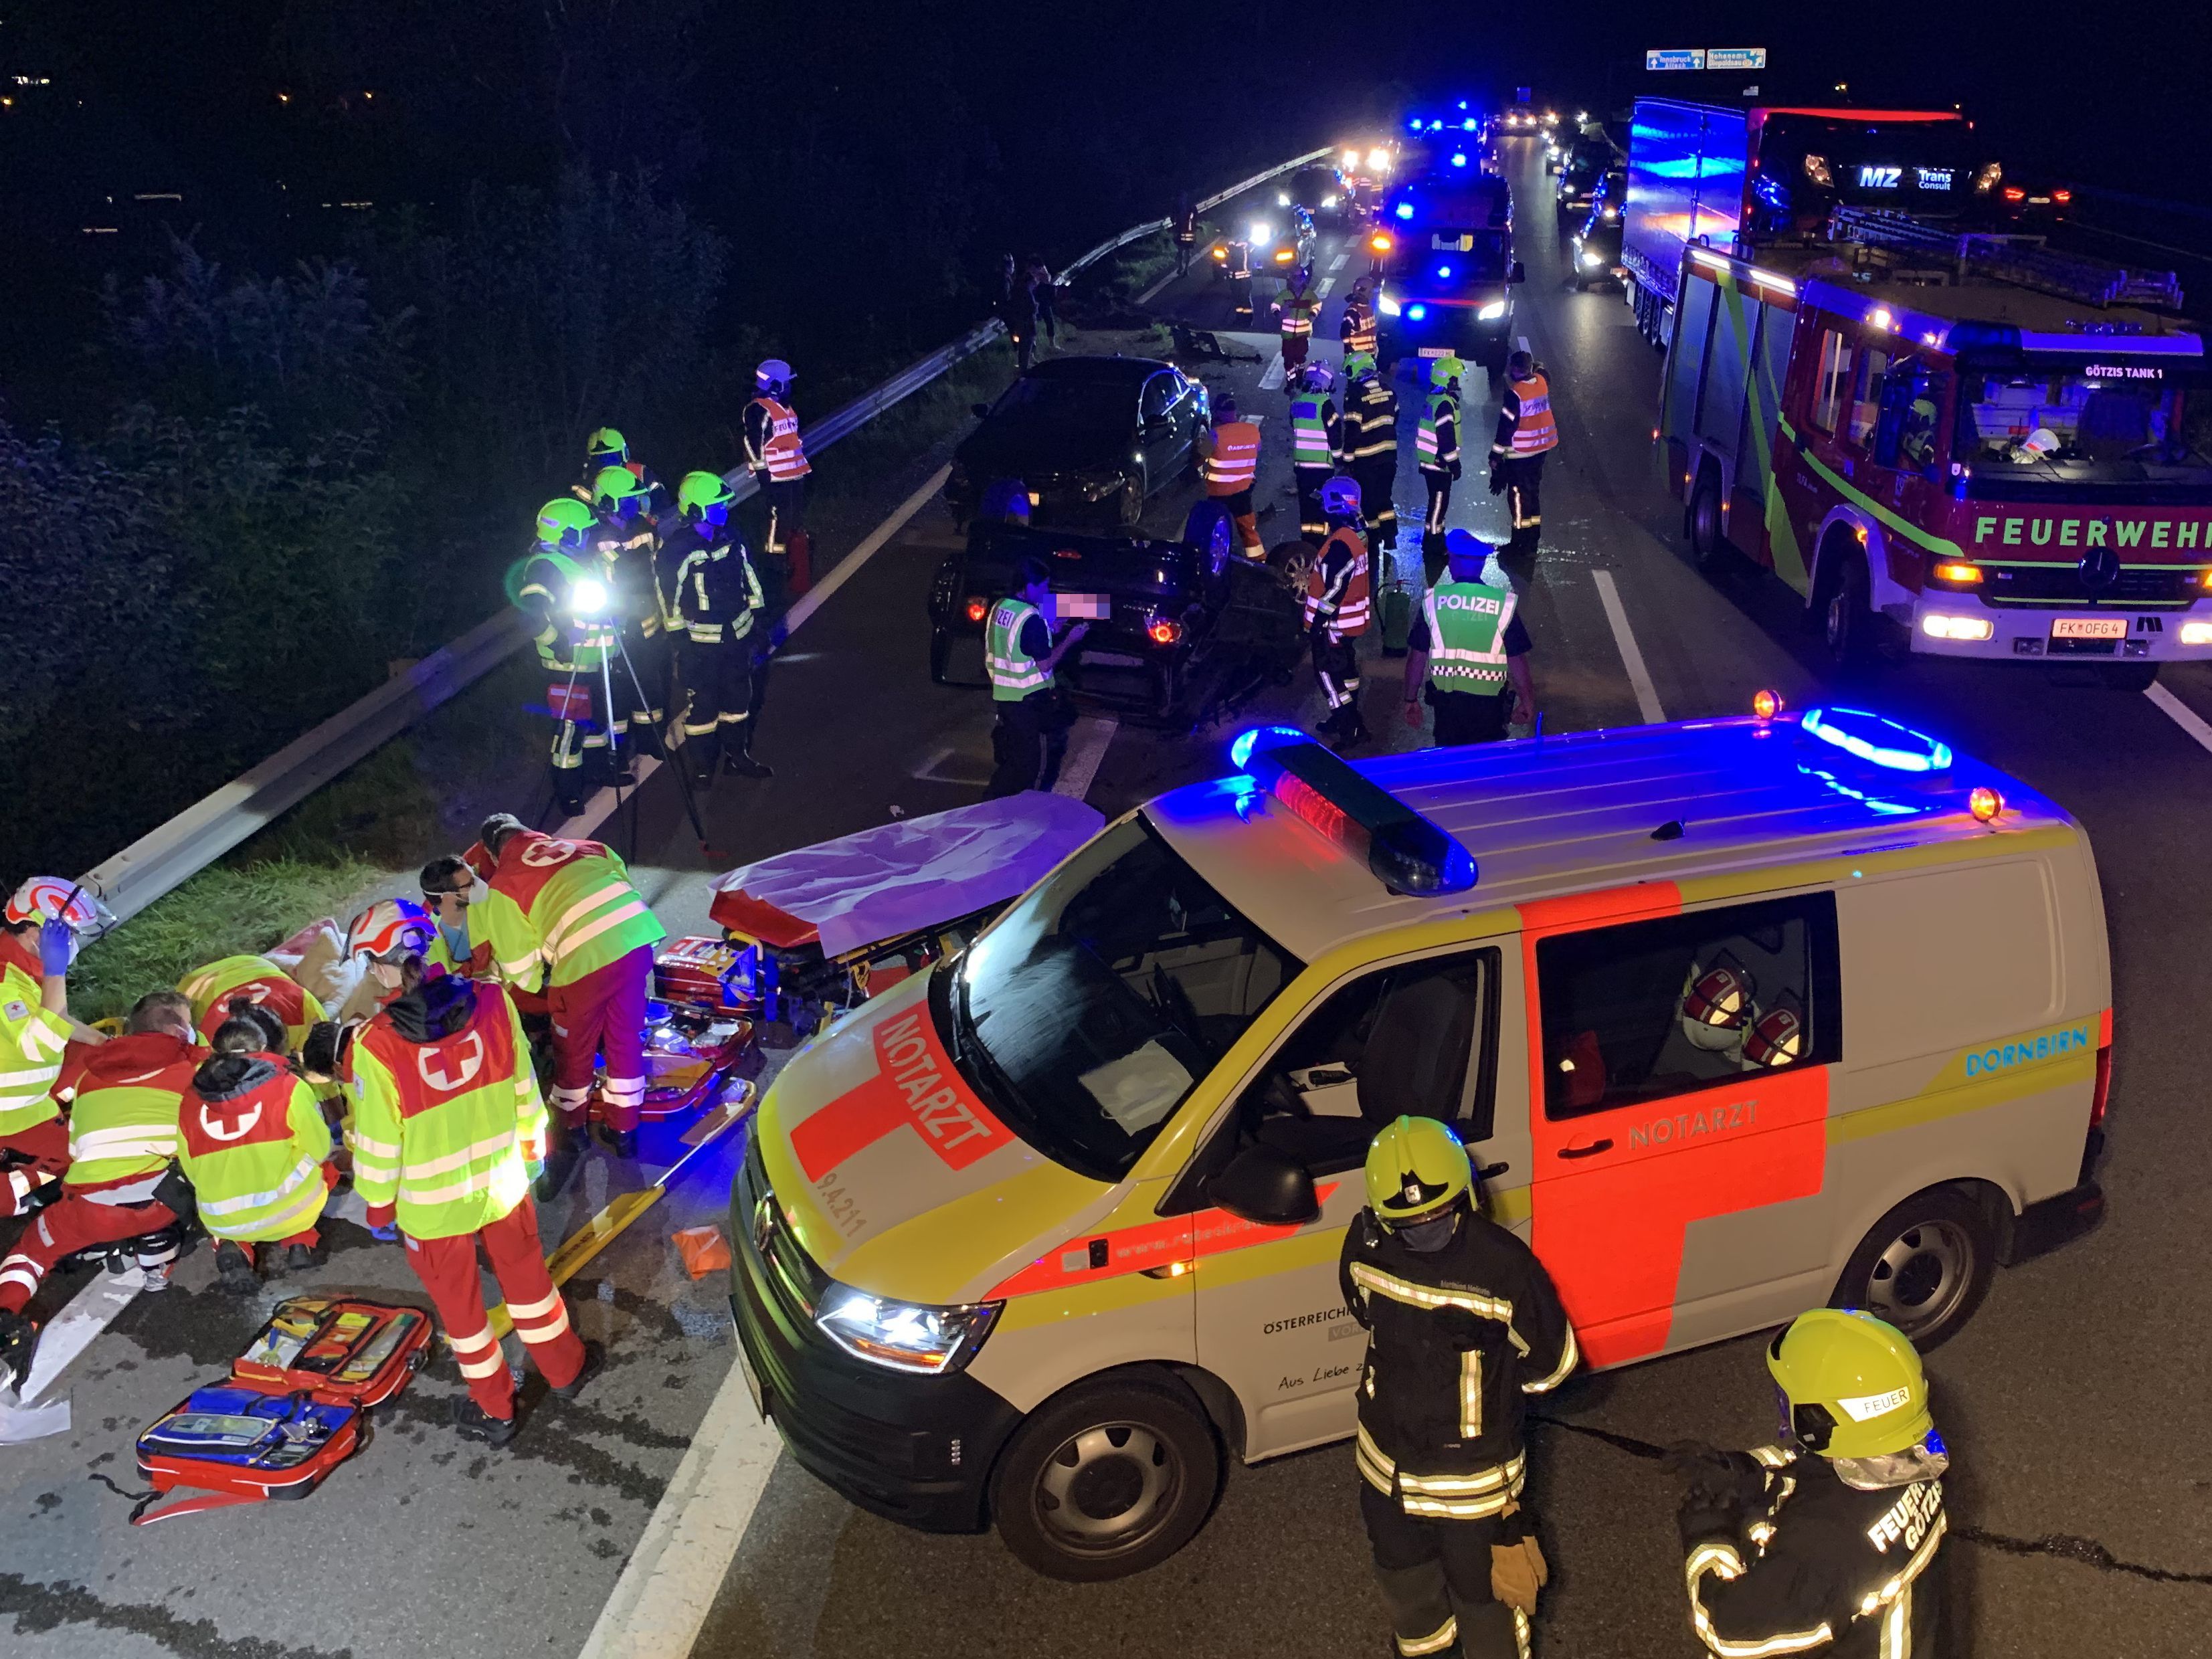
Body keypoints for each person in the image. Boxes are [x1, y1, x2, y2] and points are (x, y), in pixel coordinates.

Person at [1341, 1114, 1578, 1659]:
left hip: (1429, 1479)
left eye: (1434, 1215)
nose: (1425, 1228)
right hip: (1420, 1478)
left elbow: (1553, 1362)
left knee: (1459, 1600)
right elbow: (1551, 1366)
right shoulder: (1498, 1263)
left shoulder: (1373, 1241)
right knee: (1447, 1601)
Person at [347, 965, 599, 1446]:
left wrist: (378, 1205)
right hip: (500, 1182)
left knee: (462, 1313)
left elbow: (381, 1143)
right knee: (529, 1281)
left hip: (432, 1207)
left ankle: (496, 1409)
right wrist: (532, 1152)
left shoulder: (375, 1045)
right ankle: (566, 1370)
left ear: (384, 970)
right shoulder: (492, 1002)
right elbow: (524, 1085)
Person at [1673, 1308, 1950, 1658]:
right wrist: (1739, 1466)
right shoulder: (1914, 1457)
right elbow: (1810, 1464)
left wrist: (1707, 1535)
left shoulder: (1822, 1544)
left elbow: (1727, 1630)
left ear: (1820, 1420)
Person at [0, 989, 203, 1387]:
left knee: (31, 1252)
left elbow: (76, 1151)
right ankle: (161, 1242)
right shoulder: (195, 1066)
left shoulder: (90, 1077)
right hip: (163, 1198)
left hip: (89, 1208)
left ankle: (7, 1316)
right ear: (181, 1031)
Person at [468, 813, 666, 1173]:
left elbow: (519, 965)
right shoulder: (589, 847)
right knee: (624, 1035)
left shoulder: (503, 884)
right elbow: (618, 885)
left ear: (493, 854)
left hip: (583, 964)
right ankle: (624, 1130)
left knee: (574, 1047)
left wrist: (535, 983)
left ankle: (572, 1129)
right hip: (635, 940)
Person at [178, 1010, 336, 1293]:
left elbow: (190, 1170)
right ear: (262, 1049)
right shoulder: (289, 1086)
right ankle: (300, 1241)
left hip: (222, 1218)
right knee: (327, 1166)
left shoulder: (190, 1098)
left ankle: (232, 1247)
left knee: (220, 1205)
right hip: (292, 1208)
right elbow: (321, 1149)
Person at [0, 879, 106, 1220]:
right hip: (17, 1109)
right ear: (35, 935)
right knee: (81, 1156)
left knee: (100, 1061)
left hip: (29, 1089)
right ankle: (19, 1187)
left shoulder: (16, 965)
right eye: (68, 933)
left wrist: (99, 1042)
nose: (72, 942)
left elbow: (51, 1016)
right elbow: (40, 1044)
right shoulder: (4, 980)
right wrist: (56, 972)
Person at [658, 470, 773, 783]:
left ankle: (738, 757)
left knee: (739, 700)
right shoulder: (676, 552)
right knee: (704, 707)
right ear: (696, 511)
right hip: (700, 645)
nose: (724, 510)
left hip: (738, 638)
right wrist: (680, 641)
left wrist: (759, 620)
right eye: (717, 506)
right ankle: (703, 767)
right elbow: (669, 598)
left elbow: (750, 577)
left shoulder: (732, 537)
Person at [519, 496, 622, 817]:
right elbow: (531, 616)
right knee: (570, 731)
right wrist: (558, 643)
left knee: (597, 723)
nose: (588, 537)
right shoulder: (543, 567)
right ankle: (568, 794)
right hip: (566, 665)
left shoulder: (574, 560)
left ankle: (597, 772)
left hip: (593, 659)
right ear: (564, 535)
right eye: (582, 532)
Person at [1405, 530, 1537, 748]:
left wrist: (1410, 700)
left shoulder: (1434, 602)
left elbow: (1417, 658)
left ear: (1452, 562)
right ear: (1482, 564)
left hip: (1447, 707)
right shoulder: (1502, 604)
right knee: (1484, 765)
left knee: (1450, 764)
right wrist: (1527, 701)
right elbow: (1517, 660)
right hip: (1490, 709)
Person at [984, 556, 1089, 798]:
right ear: (1029, 586)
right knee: (1034, 767)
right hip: (1028, 703)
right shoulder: (1031, 619)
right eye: (1043, 587)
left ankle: (990, 804)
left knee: (1015, 761)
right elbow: (1045, 664)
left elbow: (1016, 644)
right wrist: (1071, 640)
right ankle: (1022, 811)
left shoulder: (1001, 607)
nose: (1046, 592)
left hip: (1005, 697)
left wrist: (1050, 631)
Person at [589, 468, 670, 757]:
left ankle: (653, 742)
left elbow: (657, 567)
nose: (634, 505)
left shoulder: (644, 527)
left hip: (648, 625)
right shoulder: (594, 538)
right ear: (609, 503)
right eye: (627, 501)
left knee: (651, 686)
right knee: (616, 693)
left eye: (635, 499)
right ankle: (616, 755)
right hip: (613, 630)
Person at [1309, 476, 1373, 744]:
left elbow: (1335, 587)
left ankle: (1350, 727)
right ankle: (1345, 719)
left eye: (1324, 502)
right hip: (1350, 623)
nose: (1320, 507)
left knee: (1327, 675)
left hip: (1334, 624)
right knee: (1347, 672)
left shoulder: (1339, 545)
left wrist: (1318, 623)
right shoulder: (1357, 532)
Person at [177, 952, 327, 1053]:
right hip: (202, 980)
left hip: (252, 965)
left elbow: (322, 1066)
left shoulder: (307, 1010)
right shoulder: (212, 1042)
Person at [1489, 351, 1558, 559]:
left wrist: (1495, 456)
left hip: (1521, 454)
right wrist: (1535, 366)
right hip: (1541, 450)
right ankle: (1532, 540)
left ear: (1514, 369)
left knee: (1518, 498)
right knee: (1533, 494)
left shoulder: (1515, 395)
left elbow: (1505, 428)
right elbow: (1543, 370)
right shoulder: (1541, 382)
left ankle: (1518, 543)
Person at [743, 360, 810, 564]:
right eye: (786, 383)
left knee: (792, 517)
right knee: (776, 519)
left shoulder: (785, 407)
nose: (790, 387)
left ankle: (792, 557)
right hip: (775, 476)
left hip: (794, 473)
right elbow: (752, 442)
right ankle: (774, 562)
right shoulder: (758, 409)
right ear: (775, 385)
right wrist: (763, 473)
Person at [1344, 351, 1401, 553]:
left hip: (1365, 460)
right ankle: (1391, 536)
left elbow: (1352, 432)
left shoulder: (1356, 398)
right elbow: (1395, 418)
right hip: (1388, 457)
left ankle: (1373, 538)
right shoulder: (1389, 392)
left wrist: (1347, 460)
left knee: (1368, 500)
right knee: (1385, 497)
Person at [1196, 394, 1264, 559]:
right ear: (1235, 411)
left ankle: (1213, 560)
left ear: (1218, 412)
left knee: (1214, 527)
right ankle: (1259, 562)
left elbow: (1199, 457)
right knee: (1248, 530)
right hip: (1243, 491)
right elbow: (1258, 449)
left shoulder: (1215, 435)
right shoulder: (1252, 430)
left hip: (1219, 493)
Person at [1287, 363, 1344, 544]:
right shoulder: (1325, 405)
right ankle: (1321, 544)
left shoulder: (1296, 403)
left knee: (1306, 506)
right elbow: (1335, 437)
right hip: (1322, 468)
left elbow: (1294, 426)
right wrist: (1340, 459)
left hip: (1301, 466)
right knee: (1322, 506)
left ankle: (1307, 542)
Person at [1416, 355, 1465, 544]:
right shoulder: (1445, 404)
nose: (1458, 382)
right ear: (1448, 379)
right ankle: (1433, 542)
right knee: (1438, 504)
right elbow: (1446, 439)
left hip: (1431, 461)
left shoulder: (1435, 399)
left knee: (1437, 502)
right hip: (1439, 464)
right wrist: (1455, 465)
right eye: (1456, 378)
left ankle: (1436, 536)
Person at [1271, 264, 1321, 381]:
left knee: (1300, 358)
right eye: (1295, 277)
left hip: (1303, 334)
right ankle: (1291, 379)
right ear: (1291, 279)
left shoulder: (1309, 294)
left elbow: (1317, 304)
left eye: (1300, 277)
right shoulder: (1284, 294)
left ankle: (1299, 376)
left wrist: (1313, 314)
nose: (1298, 280)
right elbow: (1275, 305)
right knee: (1288, 359)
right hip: (1288, 335)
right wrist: (1278, 313)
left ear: (1304, 279)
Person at [1001, 270, 1040, 373]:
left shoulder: (1015, 291)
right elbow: (1032, 308)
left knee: (1022, 345)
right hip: (1028, 323)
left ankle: (1022, 367)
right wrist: (1036, 306)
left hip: (1018, 324)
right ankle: (1024, 369)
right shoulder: (1027, 292)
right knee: (1027, 345)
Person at [1024, 255, 1059, 349]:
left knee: (1050, 321)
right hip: (1033, 302)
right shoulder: (1027, 275)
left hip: (1043, 300)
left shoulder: (1042, 271)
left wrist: (1042, 273)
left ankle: (1052, 345)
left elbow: (1048, 280)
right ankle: (1033, 349)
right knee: (1033, 326)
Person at [1341, 278, 1379, 361]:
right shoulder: (1353, 312)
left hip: (1368, 355)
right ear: (1364, 292)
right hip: (1357, 357)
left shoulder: (1368, 309)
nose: (1373, 294)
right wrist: (1349, 351)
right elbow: (1345, 333)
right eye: (1372, 291)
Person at [1172, 191, 1198, 276]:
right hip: (1189, 232)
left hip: (1181, 231)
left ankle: (1182, 267)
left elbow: (1173, 218)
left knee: (1181, 250)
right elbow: (1196, 218)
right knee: (1187, 250)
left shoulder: (1178, 207)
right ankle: (1185, 268)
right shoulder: (1192, 207)